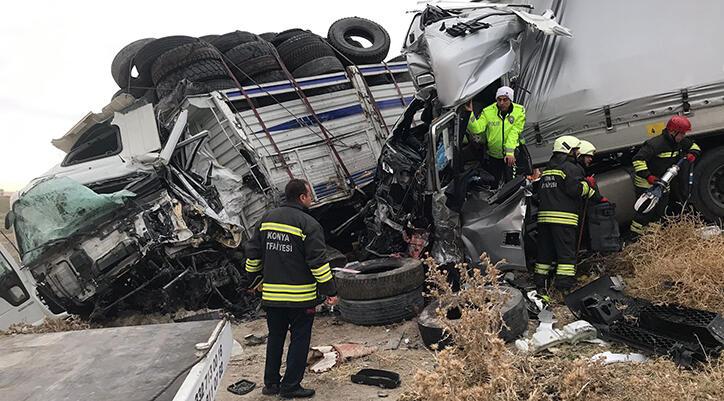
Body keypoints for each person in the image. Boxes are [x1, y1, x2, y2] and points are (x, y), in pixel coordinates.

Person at [245, 179, 337, 399]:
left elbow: (253, 256)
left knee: (275, 337)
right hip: (300, 297)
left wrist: (253, 280)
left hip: (271, 297)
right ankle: (291, 386)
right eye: (310, 194)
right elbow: (318, 264)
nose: (312, 199)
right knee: (299, 340)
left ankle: (271, 384)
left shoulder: (266, 219)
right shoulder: (309, 224)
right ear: (302, 197)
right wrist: (330, 291)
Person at [535, 136, 606, 293]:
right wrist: (588, 185)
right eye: (575, 150)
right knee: (566, 256)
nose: (577, 153)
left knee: (544, 255)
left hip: (544, 219)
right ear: (568, 150)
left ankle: (541, 285)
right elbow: (576, 190)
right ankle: (563, 289)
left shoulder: (548, 169)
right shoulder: (571, 168)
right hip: (564, 219)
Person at [629, 115, 700, 236]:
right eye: (681, 133)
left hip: (664, 182)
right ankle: (636, 235)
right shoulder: (655, 144)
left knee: (660, 210)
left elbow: (694, 146)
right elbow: (638, 160)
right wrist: (649, 176)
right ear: (672, 132)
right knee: (645, 210)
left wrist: (693, 153)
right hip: (647, 183)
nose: (683, 136)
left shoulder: (680, 142)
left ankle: (652, 236)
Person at [465, 86, 526, 184]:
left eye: (505, 100)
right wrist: (470, 114)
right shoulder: (488, 112)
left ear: (510, 100)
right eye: (499, 99)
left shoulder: (519, 112)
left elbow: (514, 133)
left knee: (511, 182)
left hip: (511, 154)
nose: (501, 103)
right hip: (493, 155)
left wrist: (509, 152)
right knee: (494, 181)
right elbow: (477, 129)